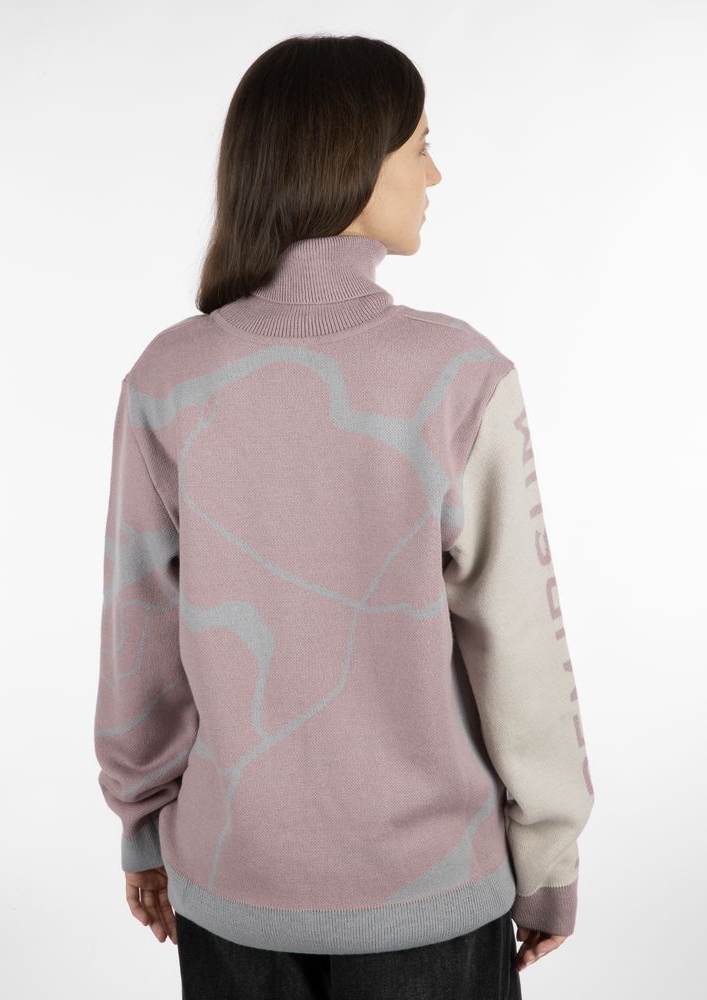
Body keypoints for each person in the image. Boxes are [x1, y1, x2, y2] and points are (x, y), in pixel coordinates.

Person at [93, 33, 595, 1000]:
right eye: (420, 146)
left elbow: (136, 639)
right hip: (431, 895)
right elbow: (519, 648)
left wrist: (143, 826)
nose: (435, 174)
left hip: (229, 891)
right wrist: (548, 858)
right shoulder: (459, 376)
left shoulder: (167, 376)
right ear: (351, 159)